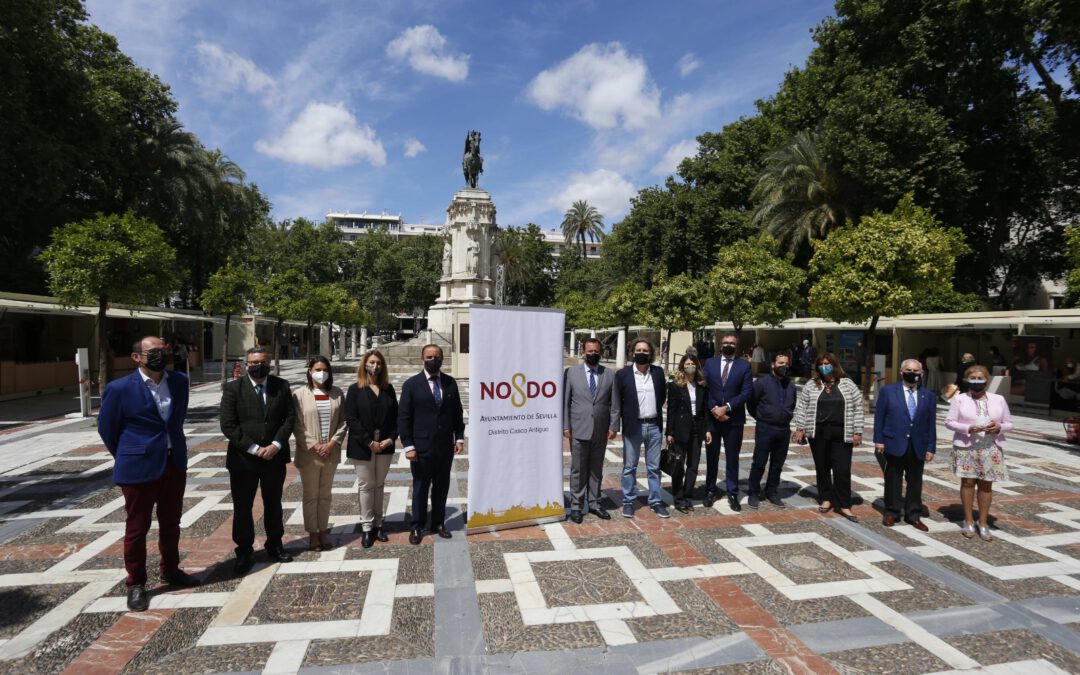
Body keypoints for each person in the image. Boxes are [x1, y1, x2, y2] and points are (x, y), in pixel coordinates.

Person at [98, 336, 198, 611]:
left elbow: (177, 420)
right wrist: (129, 453)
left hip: (173, 463)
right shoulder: (120, 389)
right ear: (136, 357)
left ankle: (171, 569)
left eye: (163, 351)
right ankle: (136, 583)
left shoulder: (179, 382)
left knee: (171, 522)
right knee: (137, 527)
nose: (160, 355)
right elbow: (108, 429)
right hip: (138, 466)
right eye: (153, 351)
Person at [220, 346, 296, 575]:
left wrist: (276, 445)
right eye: (253, 362)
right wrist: (254, 448)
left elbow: (289, 418)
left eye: (262, 362)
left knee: (274, 503)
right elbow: (228, 425)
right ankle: (244, 550)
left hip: (274, 457)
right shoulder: (233, 388)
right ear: (246, 364)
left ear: (269, 363)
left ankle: (275, 543)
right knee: (243, 506)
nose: (257, 366)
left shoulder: (281, 386)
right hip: (244, 460)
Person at [398, 344, 465, 544]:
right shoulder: (411, 384)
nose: (433, 360)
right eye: (429, 357)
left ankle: (438, 523)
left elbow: (457, 413)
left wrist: (459, 437)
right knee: (421, 487)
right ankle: (417, 526)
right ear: (422, 358)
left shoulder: (450, 382)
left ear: (442, 358)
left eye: (436, 357)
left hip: (445, 447)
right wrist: (408, 445)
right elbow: (404, 417)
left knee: (441, 487)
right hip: (421, 448)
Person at [793, 352, 863, 522]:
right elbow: (802, 406)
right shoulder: (811, 384)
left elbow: (858, 406)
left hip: (841, 432)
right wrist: (800, 427)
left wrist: (857, 431)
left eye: (828, 363)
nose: (825, 366)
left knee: (842, 469)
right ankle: (826, 498)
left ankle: (844, 505)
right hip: (818, 432)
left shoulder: (847, 384)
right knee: (822, 467)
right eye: (821, 364)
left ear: (834, 364)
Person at [945, 364, 1012, 541]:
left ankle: (983, 523)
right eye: (972, 378)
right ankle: (968, 521)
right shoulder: (959, 399)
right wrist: (969, 427)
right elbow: (950, 422)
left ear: (986, 380)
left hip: (991, 447)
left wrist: (999, 427)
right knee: (967, 483)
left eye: (980, 378)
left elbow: (1009, 423)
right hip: (967, 447)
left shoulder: (999, 399)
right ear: (967, 380)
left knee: (986, 485)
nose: (977, 381)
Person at [291, 356, 346, 552]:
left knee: (325, 495)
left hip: (330, 452)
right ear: (309, 371)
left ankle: (323, 530)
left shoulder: (337, 393)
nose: (320, 373)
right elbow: (296, 425)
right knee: (311, 495)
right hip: (309, 454)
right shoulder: (299, 395)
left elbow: (343, 421)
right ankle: (312, 533)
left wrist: (331, 443)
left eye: (324, 369)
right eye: (316, 369)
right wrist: (315, 445)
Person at [873, 359, 935, 530]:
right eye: (908, 369)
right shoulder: (888, 391)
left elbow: (931, 424)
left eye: (916, 370)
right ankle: (891, 512)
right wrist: (878, 440)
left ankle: (913, 514)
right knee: (893, 478)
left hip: (918, 445)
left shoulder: (928, 395)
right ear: (901, 372)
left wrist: (931, 447)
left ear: (921, 373)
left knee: (915, 481)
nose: (912, 373)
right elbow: (880, 417)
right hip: (893, 442)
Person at [345, 350, 398, 547]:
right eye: (371, 362)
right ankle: (367, 527)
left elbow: (396, 417)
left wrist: (391, 439)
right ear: (364, 365)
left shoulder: (388, 389)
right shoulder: (354, 389)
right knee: (366, 485)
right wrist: (369, 442)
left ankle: (379, 523)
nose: (375, 366)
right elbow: (351, 419)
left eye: (378, 363)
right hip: (362, 444)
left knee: (379, 484)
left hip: (384, 444)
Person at [610, 339, 668, 518]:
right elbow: (616, 402)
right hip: (633, 426)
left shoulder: (658, 373)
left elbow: (662, 397)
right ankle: (628, 500)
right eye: (638, 350)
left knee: (654, 467)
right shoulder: (623, 374)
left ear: (650, 353)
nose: (642, 352)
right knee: (629, 466)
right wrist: (614, 426)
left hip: (654, 426)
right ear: (633, 353)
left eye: (645, 350)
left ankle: (656, 501)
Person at [563, 338, 617, 523]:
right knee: (578, 469)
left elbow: (614, 403)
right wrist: (565, 425)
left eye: (596, 351)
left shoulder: (609, 374)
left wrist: (613, 426)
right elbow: (566, 402)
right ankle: (577, 506)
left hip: (601, 430)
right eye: (590, 351)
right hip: (578, 428)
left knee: (596, 470)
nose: (593, 354)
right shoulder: (571, 373)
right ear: (583, 352)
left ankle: (594, 503)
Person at [702, 332, 753, 511]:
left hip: (733, 419)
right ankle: (710, 490)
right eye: (725, 343)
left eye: (731, 343)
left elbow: (746, 392)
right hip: (713, 419)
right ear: (720, 345)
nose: (728, 345)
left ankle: (732, 492)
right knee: (711, 457)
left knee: (732, 458)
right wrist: (714, 408)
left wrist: (727, 407)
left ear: (736, 346)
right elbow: (704, 388)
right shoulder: (710, 363)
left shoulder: (744, 366)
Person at [746, 351, 796, 509]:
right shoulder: (762, 383)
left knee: (777, 463)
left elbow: (792, 405)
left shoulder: (791, 385)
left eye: (786, 364)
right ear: (773, 364)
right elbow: (751, 403)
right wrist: (761, 417)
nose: (784, 366)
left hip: (783, 429)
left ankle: (772, 491)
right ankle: (753, 492)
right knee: (759, 462)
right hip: (765, 428)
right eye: (781, 363)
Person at [665, 354, 711, 512]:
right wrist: (669, 432)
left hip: (697, 429)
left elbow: (706, 409)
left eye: (692, 363)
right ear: (682, 366)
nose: (690, 366)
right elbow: (671, 409)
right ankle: (678, 498)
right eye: (687, 363)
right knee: (678, 465)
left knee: (693, 465)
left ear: (697, 366)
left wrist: (708, 430)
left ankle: (688, 496)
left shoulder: (702, 385)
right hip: (680, 429)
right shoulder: (675, 385)